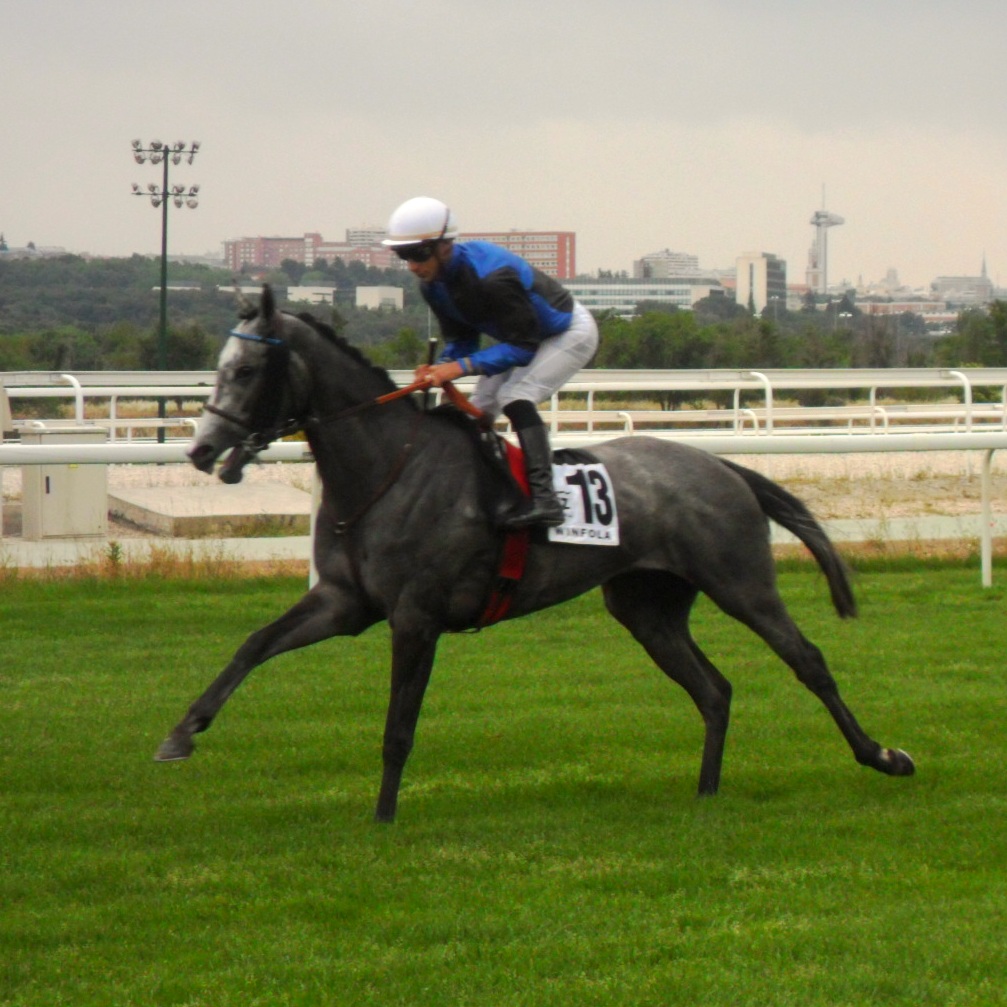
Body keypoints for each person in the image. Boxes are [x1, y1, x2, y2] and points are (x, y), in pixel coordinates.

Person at [382, 196, 599, 530]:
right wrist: (440, 368)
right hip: (522, 336)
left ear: (444, 246)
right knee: (479, 408)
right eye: (403, 255)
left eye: (418, 254)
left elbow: (524, 348)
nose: (411, 265)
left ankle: (546, 501)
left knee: (515, 396)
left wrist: (457, 368)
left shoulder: (492, 278)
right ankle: (479, 490)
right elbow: (463, 341)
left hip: (567, 332)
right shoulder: (432, 287)